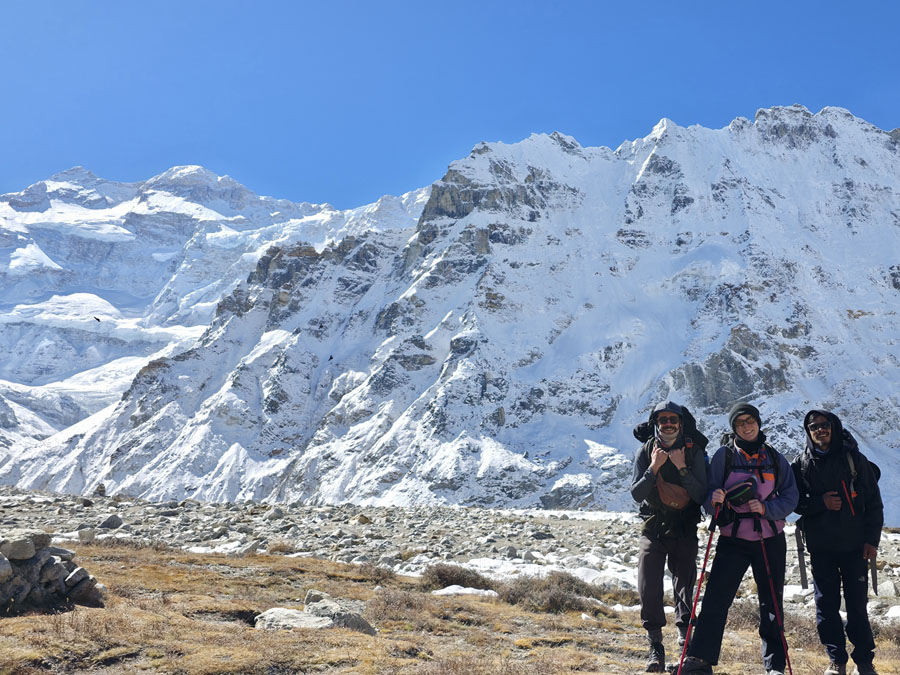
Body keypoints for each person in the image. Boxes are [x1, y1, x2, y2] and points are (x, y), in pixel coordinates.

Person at [681, 402, 799, 675]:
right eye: (740, 422)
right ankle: (699, 659)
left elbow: (790, 495)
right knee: (716, 599)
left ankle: (775, 666)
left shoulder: (774, 457)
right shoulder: (725, 456)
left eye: (750, 421)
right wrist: (715, 502)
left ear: (758, 423)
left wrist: (768, 509)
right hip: (733, 539)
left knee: (772, 602)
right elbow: (710, 495)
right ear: (734, 428)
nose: (746, 426)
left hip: (769, 539)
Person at [792, 410, 883, 675]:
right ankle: (837, 661)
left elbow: (874, 504)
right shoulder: (801, 464)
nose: (819, 430)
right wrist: (821, 504)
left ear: (834, 427)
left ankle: (864, 661)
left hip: (855, 547)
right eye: (813, 427)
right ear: (808, 431)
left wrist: (871, 540)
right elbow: (793, 501)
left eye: (824, 425)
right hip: (821, 548)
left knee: (857, 606)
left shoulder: (854, 459)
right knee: (825, 605)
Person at [631, 401, 709, 672]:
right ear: (656, 423)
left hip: (685, 528)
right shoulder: (646, 451)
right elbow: (636, 494)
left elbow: (701, 494)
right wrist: (654, 468)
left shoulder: (694, 452)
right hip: (653, 528)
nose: (667, 424)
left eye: (672, 420)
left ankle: (684, 642)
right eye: (662, 419)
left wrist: (682, 468)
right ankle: (655, 646)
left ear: (681, 422)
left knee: (685, 585)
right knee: (648, 585)